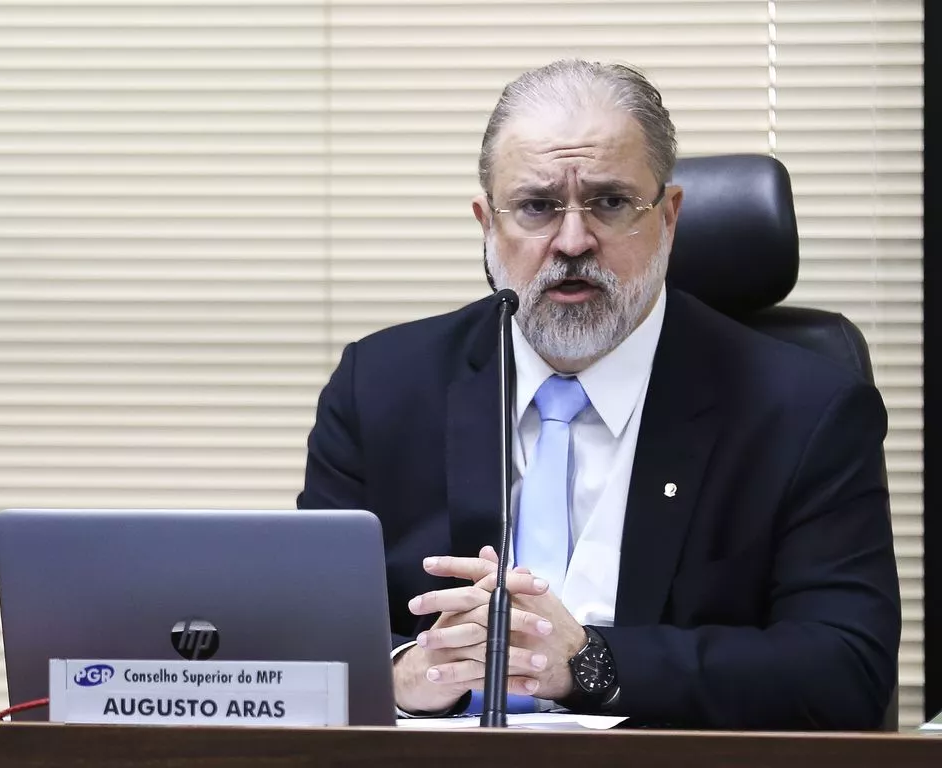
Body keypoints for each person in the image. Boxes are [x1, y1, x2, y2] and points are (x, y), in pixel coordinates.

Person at [297, 59, 900, 729]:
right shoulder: (381, 386)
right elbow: (308, 645)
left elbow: (846, 669)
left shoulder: (803, 410)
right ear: (487, 226)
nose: (574, 241)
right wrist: (407, 672)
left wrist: (592, 664)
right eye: (536, 207)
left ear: (668, 218)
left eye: (610, 202)